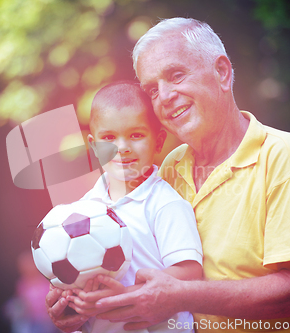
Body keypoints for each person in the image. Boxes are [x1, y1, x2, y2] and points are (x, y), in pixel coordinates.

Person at [47, 18, 290, 333]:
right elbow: (140, 279)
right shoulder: (168, 168)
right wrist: (79, 301)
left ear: (222, 71)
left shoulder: (284, 155)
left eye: (176, 75)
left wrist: (180, 296)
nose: (164, 96)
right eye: (151, 89)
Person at [50, 81, 204, 333]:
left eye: (136, 135)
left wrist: (127, 296)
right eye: (109, 137)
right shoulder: (82, 211)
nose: (122, 148)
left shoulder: (166, 204)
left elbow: (189, 272)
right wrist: (68, 303)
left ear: (158, 142)